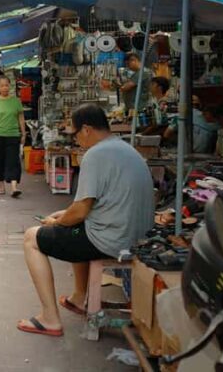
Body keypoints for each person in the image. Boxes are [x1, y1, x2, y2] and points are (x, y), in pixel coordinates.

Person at [18, 104, 153, 337]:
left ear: (87, 129)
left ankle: (49, 318)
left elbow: (80, 211)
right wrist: (66, 215)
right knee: (72, 224)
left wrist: (58, 222)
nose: (76, 140)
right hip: (137, 236)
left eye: (76, 134)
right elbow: (88, 206)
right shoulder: (124, 148)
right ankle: (79, 298)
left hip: (112, 240)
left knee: (32, 237)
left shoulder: (95, 154)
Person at [0, 76, 26, 197]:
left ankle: (14, 187)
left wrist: (23, 134)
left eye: (6, 85)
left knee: (13, 161)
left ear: (10, 85)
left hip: (13, 135)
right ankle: (1, 186)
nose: (4, 88)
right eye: (2, 85)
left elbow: (21, 119)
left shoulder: (16, 101)